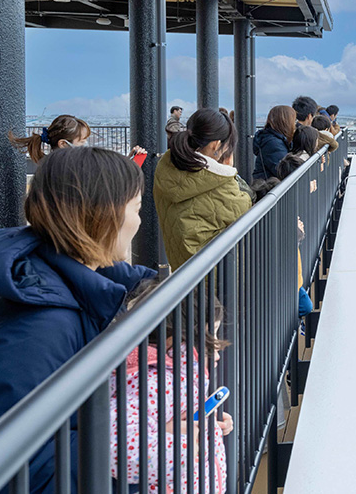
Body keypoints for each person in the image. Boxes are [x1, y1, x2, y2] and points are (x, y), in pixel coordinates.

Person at [0, 147, 154, 492]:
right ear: (104, 214)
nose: (139, 220)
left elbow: (123, 276)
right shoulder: (39, 331)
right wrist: (152, 447)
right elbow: (22, 471)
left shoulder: (63, 280)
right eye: (136, 208)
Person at [111, 279, 233, 494]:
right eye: (209, 335)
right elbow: (119, 447)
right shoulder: (152, 382)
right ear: (173, 342)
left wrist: (209, 426)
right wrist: (188, 448)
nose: (216, 347)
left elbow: (176, 423)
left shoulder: (179, 376)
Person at [154, 108, 252, 270]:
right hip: (217, 276)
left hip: (182, 268)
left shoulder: (167, 167)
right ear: (216, 145)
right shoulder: (219, 182)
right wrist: (228, 172)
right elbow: (248, 207)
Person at [9, 114, 91, 162]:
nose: (86, 144)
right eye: (82, 141)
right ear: (63, 144)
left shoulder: (50, 165)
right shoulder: (67, 170)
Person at [252, 105, 296, 183]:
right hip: (269, 188)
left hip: (268, 185)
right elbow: (283, 171)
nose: (294, 125)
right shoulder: (273, 143)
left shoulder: (273, 139)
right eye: (293, 121)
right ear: (285, 122)